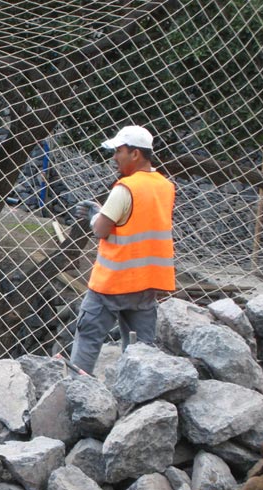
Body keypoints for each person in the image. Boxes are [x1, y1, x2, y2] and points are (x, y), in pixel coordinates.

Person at [70, 125, 176, 375]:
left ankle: (76, 394)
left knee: (88, 339)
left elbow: (101, 229)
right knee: (140, 348)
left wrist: (94, 213)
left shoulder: (125, 188)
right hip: (147, 285)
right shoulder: (165, 186)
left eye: (119, 151)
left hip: (112, 284)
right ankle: (140, 400)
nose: (115, 157)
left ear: (135, 154)